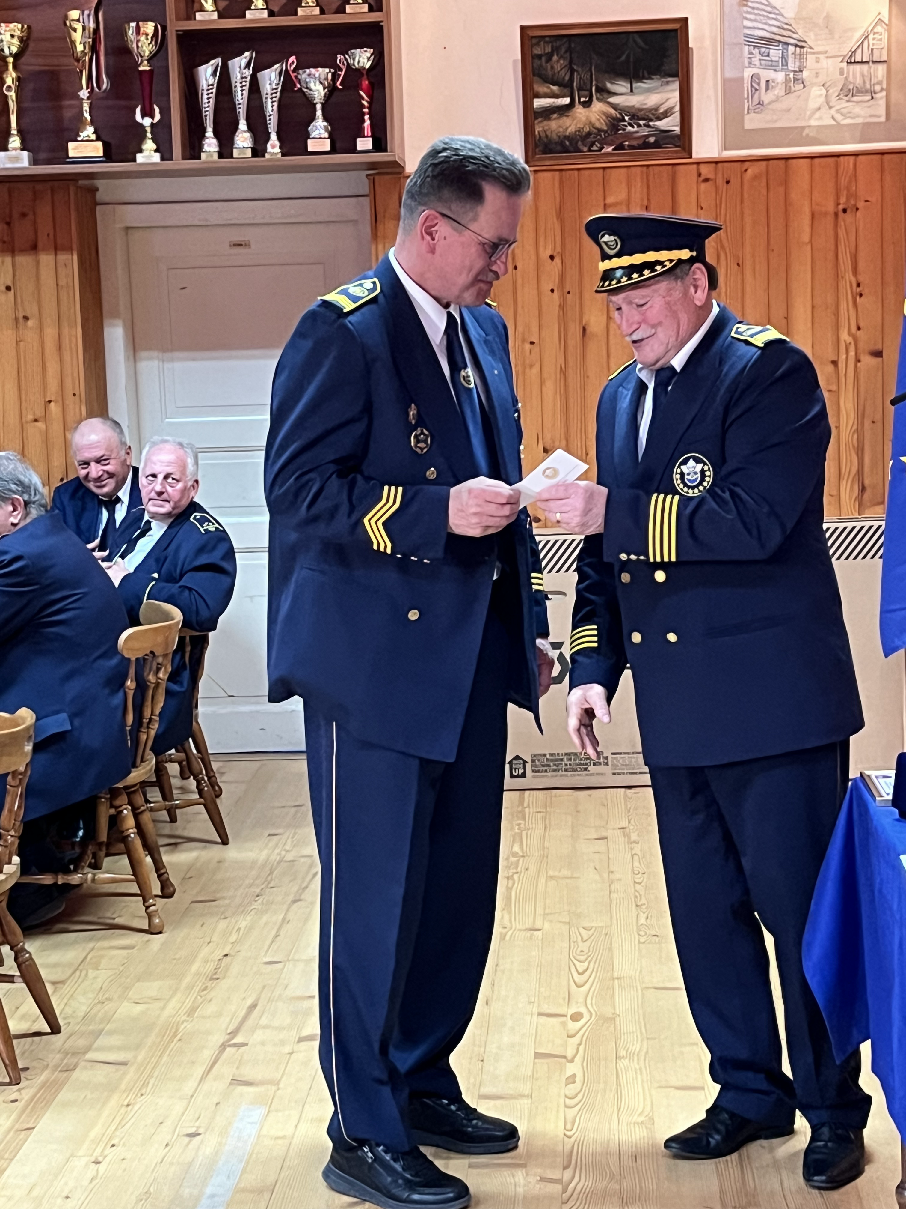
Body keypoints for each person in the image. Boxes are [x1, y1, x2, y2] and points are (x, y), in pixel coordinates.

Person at [536, 213, 870, 1192]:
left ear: (696, 285)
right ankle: (748, 1089)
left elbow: (753, 521)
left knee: (799, 917)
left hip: (773, 707)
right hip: (678, 710)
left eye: (643, 300)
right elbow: (604, 563)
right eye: (616, 305)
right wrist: (592, 668)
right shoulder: (619, 397)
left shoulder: (768, 372)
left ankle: (832, 1110)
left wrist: (613, 509)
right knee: (705, 916)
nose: (628, 320)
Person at [265, 136, 553, 1209]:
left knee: (454, 897)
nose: (503, 265)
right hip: (372, 667)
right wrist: (432, 514)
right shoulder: (341, 332)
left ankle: (422, 1078)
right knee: (376, 903)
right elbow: (298, 491)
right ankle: (363, 1127)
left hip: (468, 657)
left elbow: (500, 484)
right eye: (492, 246)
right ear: (432, 228)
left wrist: (530, 625)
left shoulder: (484, 330)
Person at [0, 451, 132, 925]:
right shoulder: (50, 535)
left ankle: (27, 884)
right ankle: (38, 859)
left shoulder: (20, 556)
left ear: (14, 508)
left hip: (64, 736)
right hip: (95, 716)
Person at [103, 437, 236, 755]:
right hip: (115, 655)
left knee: (63, 694)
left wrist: (127, 583)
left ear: (193, 487)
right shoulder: (136, 518)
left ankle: (77, 776)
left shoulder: (207, 539)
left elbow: (201, 608)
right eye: (151, 477)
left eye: (171, 479)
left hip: (155, 677)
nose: (158, 488)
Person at [50, 417, 142, 550]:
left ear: (127, 455)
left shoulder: (154, 491)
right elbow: (54, 553)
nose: (95, 474)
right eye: (84, 464)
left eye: (103, 461)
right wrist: (79, 560)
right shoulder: (66, 498)